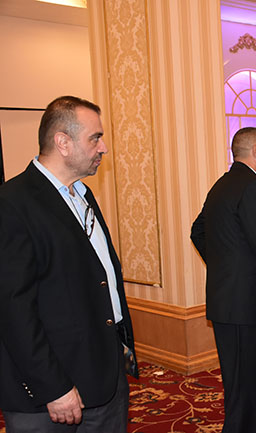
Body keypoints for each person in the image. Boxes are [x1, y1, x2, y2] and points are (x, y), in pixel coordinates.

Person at [0, 96, 137, 432]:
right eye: (95, 138)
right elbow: (13, 310)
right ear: (63, 142)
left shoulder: (82, 195)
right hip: (51, 392)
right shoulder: (12, 203)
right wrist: (54, 387)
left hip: (104, 375)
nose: (104, 147)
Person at [190, 127, 256, 433]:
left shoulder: (221, 184)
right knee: (245, 386)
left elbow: (197, 232)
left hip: (227, 299)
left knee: (237, 383)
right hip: (243, 304)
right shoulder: (253, 187)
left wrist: (225, 266)